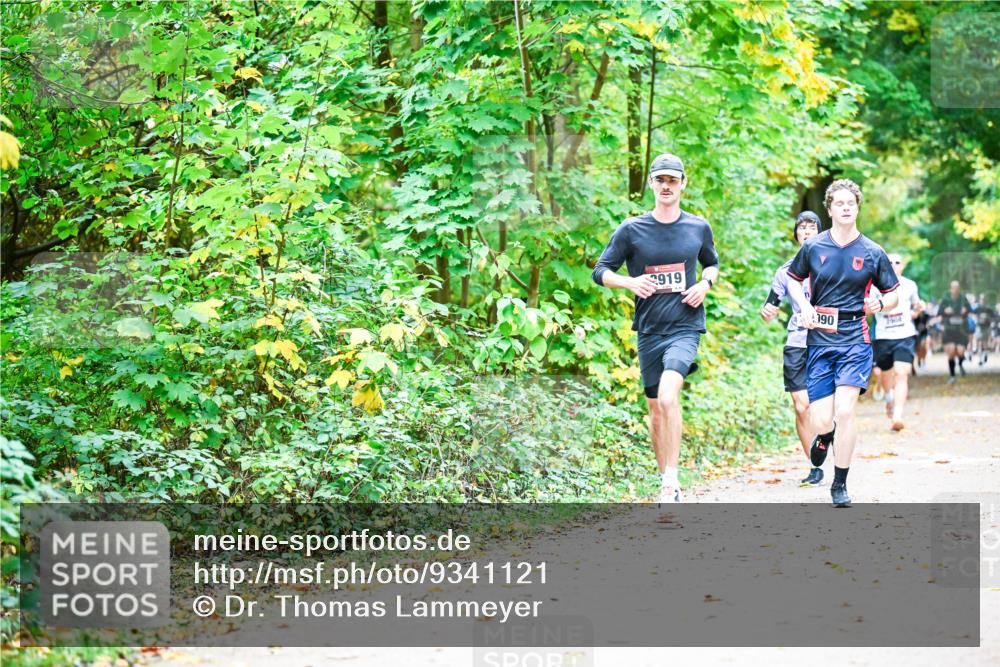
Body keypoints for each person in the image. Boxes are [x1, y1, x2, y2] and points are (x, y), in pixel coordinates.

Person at [592, 153, 720, 504]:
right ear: (651, 183)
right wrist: (629, 283)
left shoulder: (698, 227)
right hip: (649, 330)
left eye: (672, 180)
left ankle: (671, 481)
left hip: (685, 326)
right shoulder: (632, 229)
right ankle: (665, 478)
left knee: (667, 396)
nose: (666, 186)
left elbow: (711, 263)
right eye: (660, 180)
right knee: (654, 408)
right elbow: (600, 271)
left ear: (683, 184)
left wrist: (705, 284)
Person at [785, 179, 899, 507]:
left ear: (857, 208)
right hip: (820, 341)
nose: (846, 208)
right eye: (840, 203)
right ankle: (825, 435)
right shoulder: (813, 247)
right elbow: (793, 280)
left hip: (855, 339)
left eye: (851, 203)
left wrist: (881, 303)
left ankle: (840, 483)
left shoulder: (872, 252)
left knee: (846, 411)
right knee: (821, 419)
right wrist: (804, 306)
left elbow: (893, 293)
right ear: (830, 209)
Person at [760, 211, 822, 486]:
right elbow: (771, 304)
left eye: (811, 227)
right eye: (801, 228)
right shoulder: (785, 271)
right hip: (797, 341)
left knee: (823, 407)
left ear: (820, 232)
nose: (806, 232)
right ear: (796, 234)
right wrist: (768, 311)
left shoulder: (832, 263)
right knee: (801, 406)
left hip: (827, 341)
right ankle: (815, 465)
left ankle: (829, 440)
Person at [873, 253, 924, 431]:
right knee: (885, 374)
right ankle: (889, 398)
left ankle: (898, 415)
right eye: (890, 262)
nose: (894, 265)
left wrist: (919, 308)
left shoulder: (910, 285)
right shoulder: (875, 286)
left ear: (902, 266)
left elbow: (916, 306)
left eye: (897, 262)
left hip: (905, 335)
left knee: (902, 374)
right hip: (883, 337)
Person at [940, 281, 971, 384]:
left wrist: (966, 310)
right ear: (950, 289)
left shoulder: (963, 298)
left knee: (961, 351)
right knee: (952, 351)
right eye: (953, 287)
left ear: (959, 288)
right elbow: (939, 312)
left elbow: (970, 309)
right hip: (949, 330)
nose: (955, 289)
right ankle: (952, 375)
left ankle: (961, 364)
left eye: (957, 287)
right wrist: (945, 310)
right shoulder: (945, 299)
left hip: (961, 330)